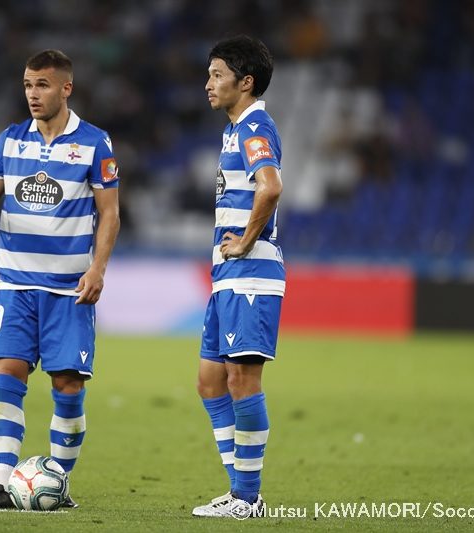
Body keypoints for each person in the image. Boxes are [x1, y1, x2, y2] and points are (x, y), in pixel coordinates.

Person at [0, 49, 120, 509]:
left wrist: (98, 268)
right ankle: (2, 485)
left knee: (68, 387)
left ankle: (56, 483)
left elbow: (110, 213)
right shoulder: (9, 141)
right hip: (15, 285)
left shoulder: (94, 143)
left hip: (69, 290)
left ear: (66, 88)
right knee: (7, 375)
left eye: (43, 85)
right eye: (28, 84)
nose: (33, 93)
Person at [191, 35, 283, 519]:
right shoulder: (234, 130)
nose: (208, 83)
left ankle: (248, 498)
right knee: (210, 381)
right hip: (228, 275)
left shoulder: (254, 127)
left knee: (242, 380)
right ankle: (240, 489)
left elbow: (270, 187)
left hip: (251, 274)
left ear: (245, 82)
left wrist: (246, 240)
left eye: (217, 74)